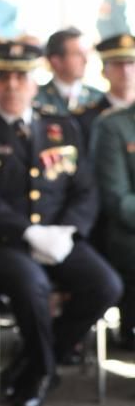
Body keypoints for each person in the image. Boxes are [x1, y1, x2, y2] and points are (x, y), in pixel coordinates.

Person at [0, 41, 122, 406]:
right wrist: (28, 232)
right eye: (4, 76)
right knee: (32, 285)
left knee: (106, 285)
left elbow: (85, 189)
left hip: (58, 236)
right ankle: (39, 372)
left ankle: (37, 358)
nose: (12, 85)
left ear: (33, 81)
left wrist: (68, 231)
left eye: (21, 76)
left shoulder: (60, 126)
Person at [89, 32, 135, 350]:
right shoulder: (111, 125)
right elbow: (117, 198)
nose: (127, 72)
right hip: (126, 230)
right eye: (119, 65)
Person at [34, 28, 103, 117]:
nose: (85, 60)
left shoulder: (98, 97)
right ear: (56, 61)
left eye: (86, 54)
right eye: (77, 54)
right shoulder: (37, 98)